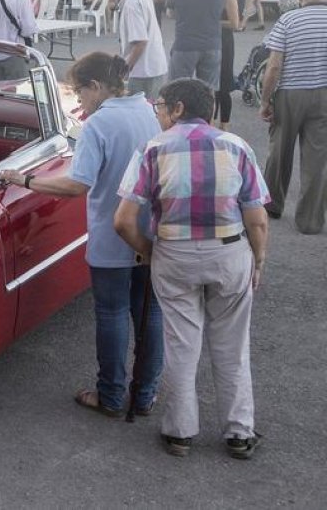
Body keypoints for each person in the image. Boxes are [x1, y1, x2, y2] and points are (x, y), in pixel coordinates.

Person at [1, 52, 163, 418]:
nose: (79, 100)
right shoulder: (148, 110)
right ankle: (146, 393)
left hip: (111, 232)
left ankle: (109, 393)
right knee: (149, 314)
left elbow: (77, 184)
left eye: (80, 91)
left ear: (96, 86)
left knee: (111, 313)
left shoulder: (98, 125)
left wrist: (24, 180)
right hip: (149, 230)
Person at [115, 78, 269, 460]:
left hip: (174, 253)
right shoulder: (237, 147)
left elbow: (123, 221)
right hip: (230, 251)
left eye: (162, 106)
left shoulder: (152, 150)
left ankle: (180, 432)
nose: (159, 113)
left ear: (179, 108)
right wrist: (259, 257)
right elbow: (257, 218)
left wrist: (148, 251)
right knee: (233, 347)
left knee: (182, 345)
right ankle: (239, 433)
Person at [258, 0, 327, 235]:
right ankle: (310, 221)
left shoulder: (288, 20)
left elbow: (274, 65)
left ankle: (272, 205)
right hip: (323, 94)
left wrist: (266, 100)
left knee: (279, 151)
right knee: (317, 158)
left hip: (290, 93)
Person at [104, 0, 168, 99]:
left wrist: (124, 70)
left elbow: (140, 42)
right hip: (153, 67)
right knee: (151, 110)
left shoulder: (131, 4)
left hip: (142, 72)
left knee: (138, 112)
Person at [166, 0, 225, 85]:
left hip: (185, 45)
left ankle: (180, 106)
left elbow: (170, 14)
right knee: (208, 90)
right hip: (211, 45)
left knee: (177, 87)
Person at [209, 0, 241, 129]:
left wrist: (214, 22)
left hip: (224, 42)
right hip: (212, 40)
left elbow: (235, 24)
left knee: (223, 86)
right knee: (212, 86)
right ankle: (211, 123)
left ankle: (224, 125)